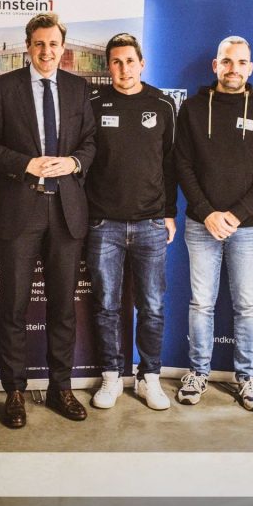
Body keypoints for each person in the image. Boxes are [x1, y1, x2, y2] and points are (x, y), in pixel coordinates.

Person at [0, 13, 96, 429]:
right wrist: (26, 164)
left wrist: (75, 161)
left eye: (54, 44)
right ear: (28, 46)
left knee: (63, 307)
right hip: (19, 211)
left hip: (66, 212)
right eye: (40, 44)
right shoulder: (4, 88)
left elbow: (91, 143)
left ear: (64, 48)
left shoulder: (78, 88)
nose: (47, 51)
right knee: (13, 307)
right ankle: (14, 390)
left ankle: (61, 387)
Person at [173, 36, 253, 411]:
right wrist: (208, 213)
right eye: (227, 61)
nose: (234, 68)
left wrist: (235, 215)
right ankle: (198, 372)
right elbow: (182, 165)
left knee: (246, 304)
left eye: (241, 62)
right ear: (215, 66)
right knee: (201, 303)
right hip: (200, 225)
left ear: (250, 68)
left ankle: (247, 376)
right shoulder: (191, 108)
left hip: (246, 227)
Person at [86, 33, 177, 411]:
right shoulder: (93, 105)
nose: (124, 68)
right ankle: (112, 377)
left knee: (152, 305)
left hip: (151, 224)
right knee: (106, 305)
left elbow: (171, 164)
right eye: (116, 62)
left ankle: (149, 377)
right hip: (103, 224)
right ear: (108, 68)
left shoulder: (163, 104)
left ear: (142, 63)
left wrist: (170, 212)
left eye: (130, 61)